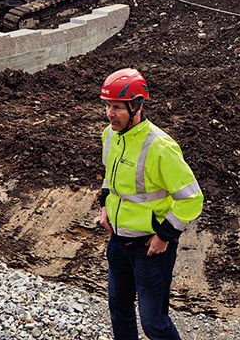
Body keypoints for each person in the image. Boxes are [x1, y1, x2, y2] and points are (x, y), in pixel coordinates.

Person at [97, 68, 203, 340]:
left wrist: (164, 236)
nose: (110, 114)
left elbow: (192, 198)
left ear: (137, 106)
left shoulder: (160, 147)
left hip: (150, 247)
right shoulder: (110, 135)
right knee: (119, 310)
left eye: (117, 108)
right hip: (118, 242)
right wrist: (104, 204)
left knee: (154, 323)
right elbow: (110, 174)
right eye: (107, 106)